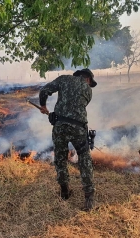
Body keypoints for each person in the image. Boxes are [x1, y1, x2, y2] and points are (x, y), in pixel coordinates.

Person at [39, 68, 97, 211]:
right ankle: (89, 198)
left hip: (59, 127)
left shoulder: (64, 79)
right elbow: (76, 108)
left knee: (60, 158)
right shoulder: (88, 90)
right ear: (88, 79)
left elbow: (44, 91)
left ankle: (64, 191)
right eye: (90, 81)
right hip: (78, 129)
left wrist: (43, 106)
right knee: (84, 160)